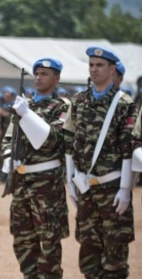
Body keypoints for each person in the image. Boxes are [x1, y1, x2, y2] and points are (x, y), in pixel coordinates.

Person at [64, 46, 136, 278]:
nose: (94, 70)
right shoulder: (79, 101)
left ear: (111, 69)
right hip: (86, 188)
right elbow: (69, 142)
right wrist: (70, 180)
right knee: (89, 255)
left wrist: (125, 189)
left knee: (114, 258)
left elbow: (129, 148)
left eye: (100, 65)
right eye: (91, 65)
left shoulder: (124, 103)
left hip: (112, 188)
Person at [1, 58, 70, 278]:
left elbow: (54, 140)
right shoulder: (25, 103)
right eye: (37, 73)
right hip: (22, 184)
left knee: (49, 243)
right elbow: (8, 139)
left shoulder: (62, 107)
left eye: (45, 74)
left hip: (47, 184)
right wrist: (9, 157)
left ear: (56, 78)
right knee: (23, 242)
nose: (39, 77)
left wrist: (27, 115)